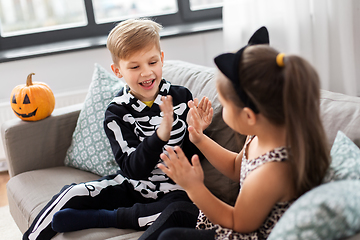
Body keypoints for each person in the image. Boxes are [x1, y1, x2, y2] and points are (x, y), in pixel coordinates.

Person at [139, 26, 330, 240]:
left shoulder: (273, 170)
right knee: (176, 211)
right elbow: (235, 166)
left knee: (171, 237)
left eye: (225, 105)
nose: (221, 108)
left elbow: (238, 222)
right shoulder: (263, 133)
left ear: (249, 116)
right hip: (237, 224)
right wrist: (199, 138)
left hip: (246, 233)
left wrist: (194, 187)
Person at [23, 18, 206, 240]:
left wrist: (198, 135)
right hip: (132, 184)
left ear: (162, 59)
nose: (146, 73)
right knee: (74, 192)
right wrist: (160, 136)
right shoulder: (116, 112)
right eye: (134, 66)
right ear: (118, 71)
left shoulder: (182, 97)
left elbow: (194, 159)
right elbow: (132, 169)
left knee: (185, 212)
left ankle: (102, 218)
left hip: (175, 190)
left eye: (152, 62)